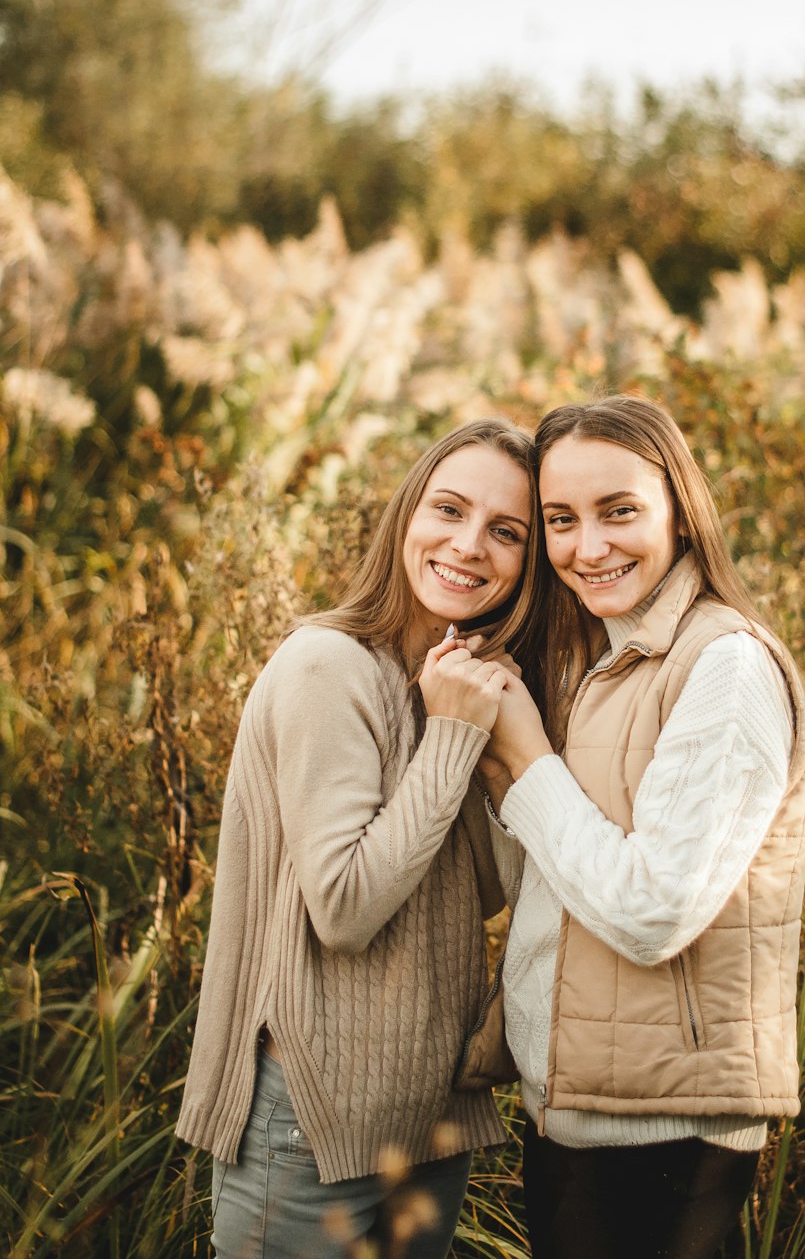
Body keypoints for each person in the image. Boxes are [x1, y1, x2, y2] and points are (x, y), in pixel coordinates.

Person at [176, 418, 545, 1259]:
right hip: (312, 1114)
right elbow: (342, 907)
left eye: (506, 532)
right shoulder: (328, 667)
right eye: (448, 510)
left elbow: (479, 892)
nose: (469, 545)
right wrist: (453, 740)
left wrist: (493, 751)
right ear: (406, 515)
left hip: (429, 1110)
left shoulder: (451, 683)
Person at [479, 395, 805, 1259]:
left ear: (681, 510)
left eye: (619, 511)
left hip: (662, 1131)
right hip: (583, 1110)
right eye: (561, 520)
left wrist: (527, 763)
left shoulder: (725, 666)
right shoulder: (610, 663)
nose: (588, 548)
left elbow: (654, 910)